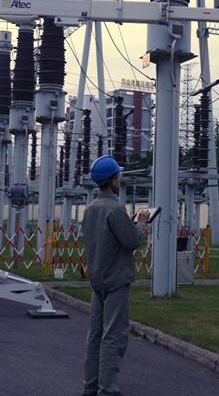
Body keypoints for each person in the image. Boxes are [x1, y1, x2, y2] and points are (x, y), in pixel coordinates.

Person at [81, 155, 150, 396]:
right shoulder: (115, 209)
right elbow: (132, 241)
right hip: (116, 282)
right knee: (114, 337)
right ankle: (108, 390)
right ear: (111, 182)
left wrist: (127, 224)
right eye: (118, 176)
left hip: (97, 281)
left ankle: (90, 387)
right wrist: (140, 224)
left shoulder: (91, 209)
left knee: (95, 336)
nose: (120, 179)